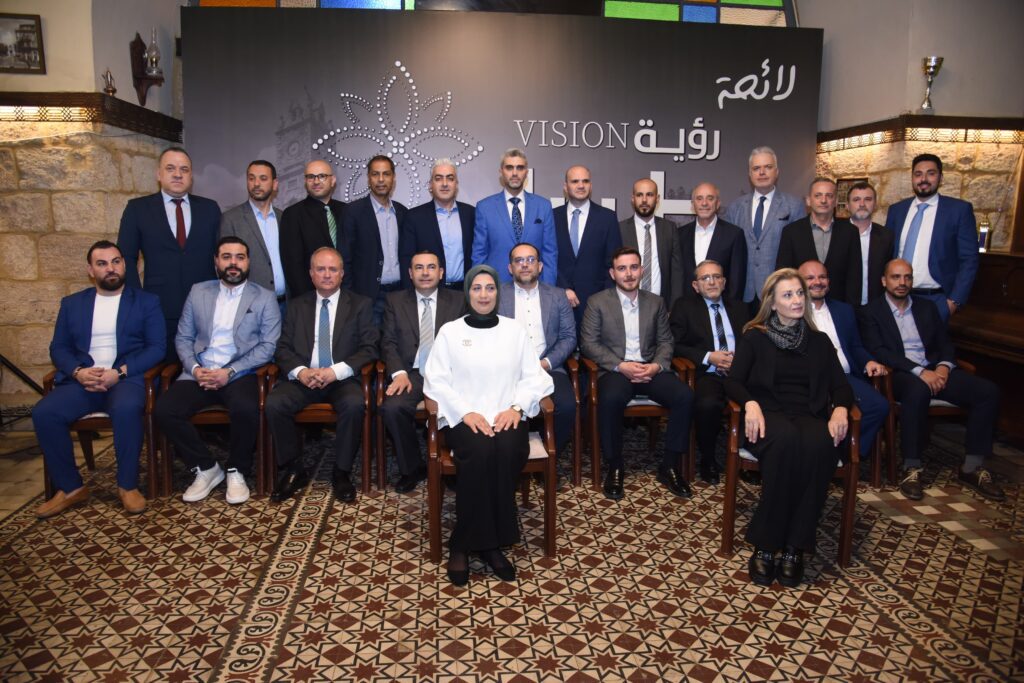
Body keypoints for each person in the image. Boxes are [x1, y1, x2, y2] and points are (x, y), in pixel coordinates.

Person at [423, 265, 554, 586]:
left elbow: (534, 377)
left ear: (498, 292)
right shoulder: (450, 332)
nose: (484, 295)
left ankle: (480, 543)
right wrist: (465, 412)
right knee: (480, 452)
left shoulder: (514, 331)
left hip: (507, 414)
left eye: (490, 288)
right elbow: (435, 380)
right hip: (465, 417)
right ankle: (478, 545)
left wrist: (517, 407)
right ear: (467, 293)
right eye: (477, 288)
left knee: (508, 450)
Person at [724, 268, 853, 588]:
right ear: (772, 302)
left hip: (809, 415)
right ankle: (766, 545)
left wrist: (840, 408)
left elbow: (841, 386)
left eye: (799, 293)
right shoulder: (755, 337)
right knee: (786, 442)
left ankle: (795, 547)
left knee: (820, 445)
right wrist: (750, 403)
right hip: (768, 415)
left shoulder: (820, 342)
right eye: (788, 295)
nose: (796, 300)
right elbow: (734, 382)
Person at [33, 240, 166, 518]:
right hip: (84, 381)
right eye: (102, 264)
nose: (110, 269)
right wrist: (78, 372)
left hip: (125, 379)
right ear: (90, 270)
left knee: (126, 408)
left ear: (125, 265)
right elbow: (58, 348)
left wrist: (119, 372)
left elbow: (157, 348)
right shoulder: (72, 304)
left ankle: (127, 485)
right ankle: (70, 488)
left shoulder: (146, 302)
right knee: (44, 413)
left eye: (116, 262)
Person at [859, 259, 1003, 502]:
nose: (902, 282)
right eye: (896, 277)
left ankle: (972, 467)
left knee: (988, 392)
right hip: (900, 374)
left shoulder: (926, 307)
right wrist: (919, 371)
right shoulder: (870, 312)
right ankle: (911, 468)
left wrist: (944, 367)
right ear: (884, 281)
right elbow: (880, 351)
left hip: (936, 371)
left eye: (907, 277)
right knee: (918, 390)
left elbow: (945, 343)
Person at [154, 236, 281, 505]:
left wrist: (229, 371)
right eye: (226, 257)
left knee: (246, 408)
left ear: (248, 262)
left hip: (240, 373)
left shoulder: (264, 297)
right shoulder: (198, 292)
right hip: (199, 372)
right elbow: (183, 337)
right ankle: (206, 467)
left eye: (239, 257)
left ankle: (237, 469)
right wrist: (195, 368)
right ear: (216, 262)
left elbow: (268, 347)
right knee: (164, 410)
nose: (233, 263)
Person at [265, 247, 379, 504]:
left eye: (333, 269)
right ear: (311, 274)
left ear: (342, 273)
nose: (327, 275)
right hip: (304, 378)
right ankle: (294, 469)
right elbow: (282, 348)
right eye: (321, 269)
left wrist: (334, 372)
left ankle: (341, 471)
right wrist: (301, 372)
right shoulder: (297, 305)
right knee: (274, 403)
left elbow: (369, 348)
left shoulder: (360, 305)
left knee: (355, 404)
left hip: (341, 379)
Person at [580, 247, 694, 501]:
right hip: (616, 371)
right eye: (622, 268)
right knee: (610, 399)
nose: (629, 274)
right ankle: (615, 465)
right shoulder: (597, 302)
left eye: (633, 267)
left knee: (684, 396)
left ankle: (670, 465)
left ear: (642, 270)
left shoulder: (656, 302)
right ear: (613, 273)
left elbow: (666, 341)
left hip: (649, 368)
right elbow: (588, 343)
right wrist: (620, 365)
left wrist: (657, 366)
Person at [117, 146, 220, 361]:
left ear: (191, 176)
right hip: (159, 307)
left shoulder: (210, 208)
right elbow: (126, 257)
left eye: (184, 169)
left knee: (206, 367)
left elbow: (221, 257)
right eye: (170, 168)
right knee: (164, 369)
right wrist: (138, 301)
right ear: (159, 174)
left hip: (205, 308)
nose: (177, 174)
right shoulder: (137, 209)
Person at [379, 251, 465, 493]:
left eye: (431, 267)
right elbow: (388, 342)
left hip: (448, 373)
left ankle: (452, 465)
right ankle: (412, 468)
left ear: (441, 272)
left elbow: (465, 340)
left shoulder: (459, 300)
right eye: (419, 267)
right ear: (410, 273)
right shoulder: (395, 301)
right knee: (392, 408)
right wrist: (398, 373)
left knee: (461, 403)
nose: (425, 273)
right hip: (412, 373)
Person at [797, 260, 888, 463]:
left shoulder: (844, 310)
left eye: (822, 277)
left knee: (879, 406)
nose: (817, 282)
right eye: (810, 278)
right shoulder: (794, 310)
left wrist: (868, 362)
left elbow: (855, 346)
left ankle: (844, 455)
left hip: (846, 377)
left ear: (828, 281)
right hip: (811, 379)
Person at [669, 260, 749, 485]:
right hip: (708, 372)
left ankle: (749, 457)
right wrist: (708, 357)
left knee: (760, 398)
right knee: (707, 404)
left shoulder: (741, 308)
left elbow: (754, 342)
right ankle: (708, 458)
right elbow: (674, 344)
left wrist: (739, 361)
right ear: (696, 286)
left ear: (724, 282)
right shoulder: (684, 307)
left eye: (716, 277)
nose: (712, 282)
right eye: (705, 278)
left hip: (740, 373)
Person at [499, 242, 577, 456]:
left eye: (530, 260)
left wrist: (546, 363)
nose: (525, 265)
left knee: (567, 407)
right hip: (509, 370)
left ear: (540, 266)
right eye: (519, 260)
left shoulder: (558, 296)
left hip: (548, 368)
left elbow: (569, 337)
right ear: (510, 268)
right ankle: (512, 454)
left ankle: (547, 453)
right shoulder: (497, 296)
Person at [884, 153, 979, 323]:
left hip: (935, 300)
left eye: (931, 173)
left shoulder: (958, 211)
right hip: (896, 298)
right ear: (912, 178)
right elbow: (887, 253)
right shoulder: (897, 210)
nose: (923, 179)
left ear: (941, 178)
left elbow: (969, 259)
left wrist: (954, 301)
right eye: (918, 174)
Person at [722, 146, 807, 307]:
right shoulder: (735, 207)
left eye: (768, 167)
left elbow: (799, 251)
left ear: (777, 172)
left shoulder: (793, 206)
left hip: (779, 291)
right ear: (750, 174)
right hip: (743, 292)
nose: (762, 172)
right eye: (756, 168)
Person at [472, 148, 557, 285]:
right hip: (498, 286)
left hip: (535, 286)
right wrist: (482, 287)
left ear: (526, 172)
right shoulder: (485, 207)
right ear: (501, 171)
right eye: (509, 167)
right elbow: (479, 254)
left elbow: (550, 253)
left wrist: (548, 289)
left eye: (520, 168)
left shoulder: (543, 206)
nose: (515, 173)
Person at [342, 155, 409, 324]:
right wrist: (350, 298)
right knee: (371, 341)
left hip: (401, 294)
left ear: (393, 178)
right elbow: (345, 258)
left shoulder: (403, 212)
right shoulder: (353, 212)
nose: (380, 179)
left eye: (386, 174)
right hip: (368, 297)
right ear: (368, 178)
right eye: (375, 174)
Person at [553, 165, 622, 327]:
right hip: (558, 300)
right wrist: (563, 288)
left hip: (597, 304)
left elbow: (613, 263)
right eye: (575, 181)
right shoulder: (552, 216)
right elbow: (548, 257)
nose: (581, 185)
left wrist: (605, 301)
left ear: (590, 185)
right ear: (565, 186)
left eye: (585, 181)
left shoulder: (607, 218)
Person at [775, 177, 859, 305]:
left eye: (829, 196)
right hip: (801, 305)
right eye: (818, 195)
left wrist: (851, 308)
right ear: (808, 201)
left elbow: (855, 275)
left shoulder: (850, 232)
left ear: (836, 201)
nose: (823, 200)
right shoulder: (791, 231)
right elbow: (784, 273)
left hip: (839, 305)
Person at [219, 160, 287, 313]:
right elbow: (225, 267)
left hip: (285, 306)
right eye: (251, 178)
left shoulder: (284, 218)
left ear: (275, 184)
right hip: (249, 308)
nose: (256, 184)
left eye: (263, 178)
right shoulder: (231, 219)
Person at [398, 158, 474, 291]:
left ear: (456, 184)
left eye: (450, 178)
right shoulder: (414, 217)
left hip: (465, 292)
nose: (444, 183)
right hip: (428, 292)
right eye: (438, 178)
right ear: (430, 185)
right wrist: (410, 295)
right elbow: (406, 260)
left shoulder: (471, 214)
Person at [279, 160, 347, 300]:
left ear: (333, 180)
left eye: (322, 176)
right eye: (311, 177)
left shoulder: (347, 211)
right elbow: (293, 266)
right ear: (305, 181)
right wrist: (307, 303)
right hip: (312, 298)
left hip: (348, 297)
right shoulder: (293, 214)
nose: (316, 181)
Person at [677, 182, 746, 302]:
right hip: (687, 305)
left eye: (710, 198)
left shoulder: (734, 234)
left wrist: (731, 307)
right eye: (699, 199)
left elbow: (737, 278)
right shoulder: (680, 234)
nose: (704, 203)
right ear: (693, 205)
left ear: (718, 203)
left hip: (721, 305)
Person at [618, 178, 682, 307]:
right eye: (639, 195)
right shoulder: (620, 229)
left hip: (662, 306)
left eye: (649, 195)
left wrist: (674, 307)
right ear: (633, 199)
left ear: (657, 199)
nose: (644, 200)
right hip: (627, 305)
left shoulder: (669, 228)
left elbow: (677, 272)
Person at [845, 181, 894, 307]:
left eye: (867, 199)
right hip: (843, 307)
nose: (862, 204)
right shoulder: (835, 234)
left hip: (876, 307)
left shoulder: (886, 236)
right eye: (856, 199)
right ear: (847, 205)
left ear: (875, 205)